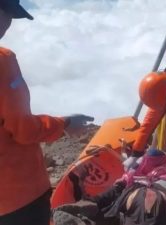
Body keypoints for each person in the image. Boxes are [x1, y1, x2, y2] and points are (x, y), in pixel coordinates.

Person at [0, 1, 94, 225]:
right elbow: (22, 129)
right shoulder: (3, 61)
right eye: (8, 14)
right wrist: (65, 124)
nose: (8, 24)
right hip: (17, 194)